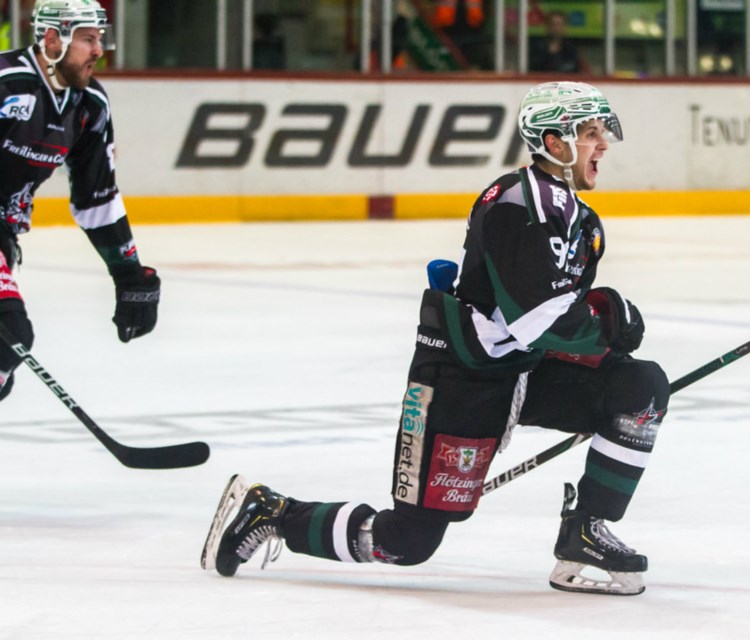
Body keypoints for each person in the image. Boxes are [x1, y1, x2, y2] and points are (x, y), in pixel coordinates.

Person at [201, 81, 670, 596]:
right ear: (554, 142)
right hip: (462, 378)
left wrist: (599, 316)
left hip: (523, 370)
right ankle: (272, 512)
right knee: (408, 541)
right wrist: (604, 324)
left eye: (602, 131)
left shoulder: (572, 212)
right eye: (589, 132)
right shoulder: (521, 202)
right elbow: (536, 317)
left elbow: (544, 309)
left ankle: (587, 530)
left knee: (638, 387)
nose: (602, 144)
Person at [0, 0, 160, 402]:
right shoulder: (5, 83)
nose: (99, 50)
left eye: (100, 39)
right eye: (88, 39)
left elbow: (96, 198)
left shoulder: (89, 105)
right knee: (11, 336)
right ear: (52, 40)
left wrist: (127, 272)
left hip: (4, 235)